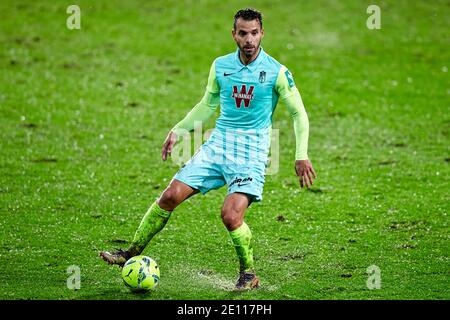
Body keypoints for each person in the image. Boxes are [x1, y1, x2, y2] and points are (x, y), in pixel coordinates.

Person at [100, 8, 316, 290]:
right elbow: (207, 105)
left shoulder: (277, 72)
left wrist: (301, 154)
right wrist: (179, 129)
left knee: (231, 215)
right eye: (242, 33)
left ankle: (248, 274)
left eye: (254, 33)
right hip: (217, 147)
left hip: (251, 155)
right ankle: (131, 251)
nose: (249, 40)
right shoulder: (221, 66)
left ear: (262, 33)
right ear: (234, 35)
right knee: (170, 196)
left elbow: (299, 113)